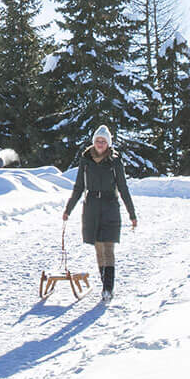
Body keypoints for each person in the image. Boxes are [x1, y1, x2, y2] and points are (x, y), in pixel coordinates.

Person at [63, 125, 137, 300]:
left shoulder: (115, 161)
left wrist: (132, 214)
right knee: (98, 247)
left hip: (110, 205)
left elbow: (123, 188)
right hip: (91, 207)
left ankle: (108, 288)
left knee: (108, 247)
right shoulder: (85, 160)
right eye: (98, 141)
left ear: (108, 143)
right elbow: (79, 186)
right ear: (94, 142)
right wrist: (68, 209)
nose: (100, 144)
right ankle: (105, 282)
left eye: (104, 141)